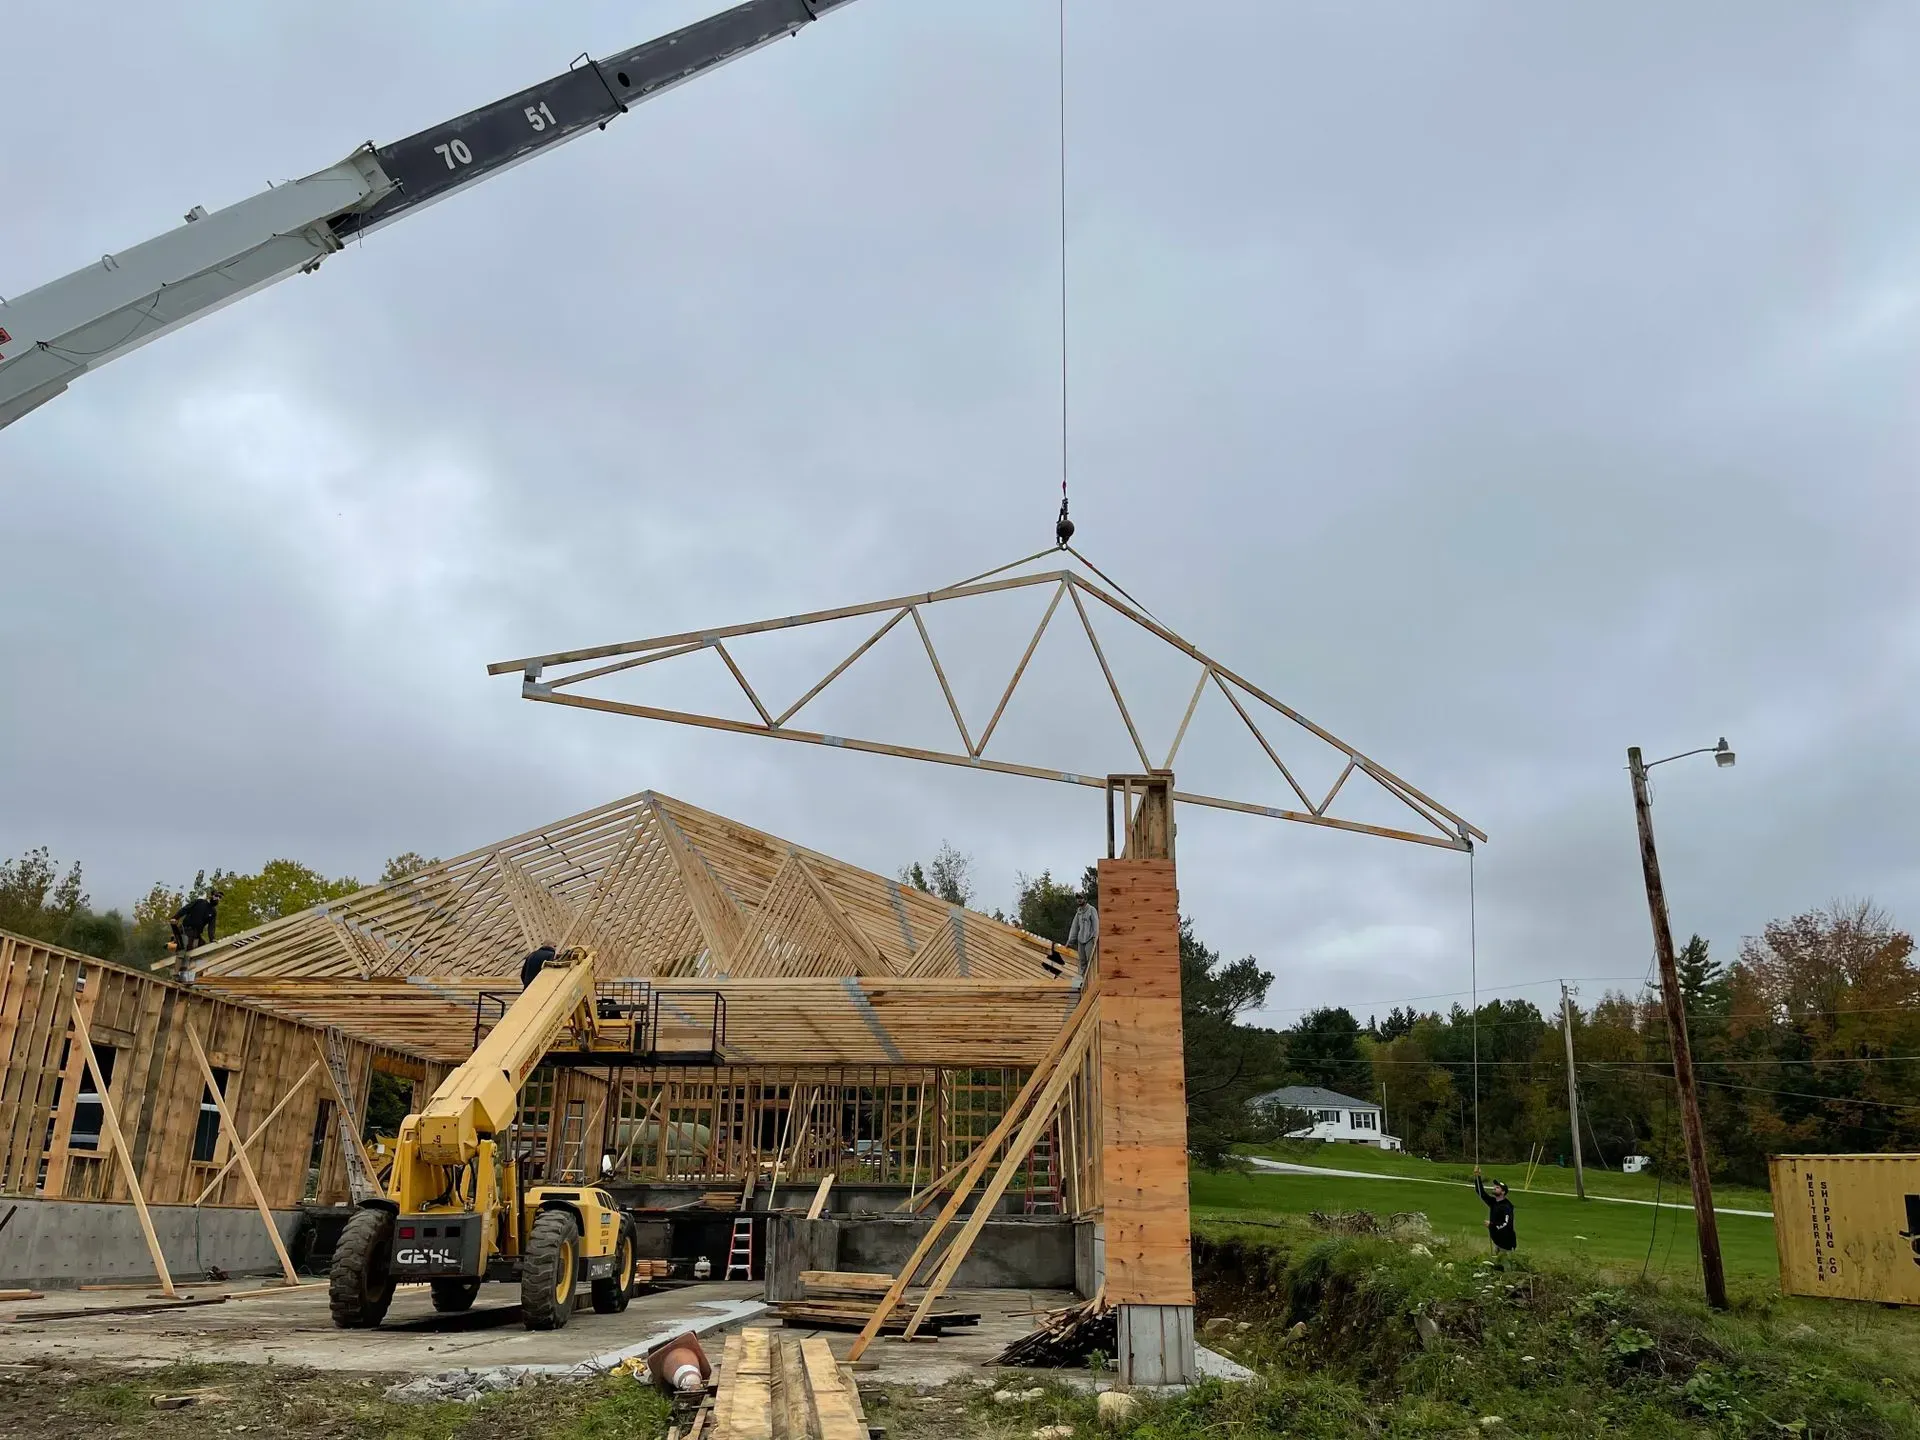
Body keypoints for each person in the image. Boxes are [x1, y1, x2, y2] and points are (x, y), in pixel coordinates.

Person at [1474, 1165, 1516, 1251]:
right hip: (1497, 1241)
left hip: (1506, 1243)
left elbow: (1506, 1224)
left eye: (1497, 1187)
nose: (1494, 1188)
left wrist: (1491, 1225)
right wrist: (1477, 1176)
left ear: (1503, 1192)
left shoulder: (1507, 1206)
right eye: (1495, 1186)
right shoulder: (1494, 1202)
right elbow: (1481, 1193)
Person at [170, 888, 223, 953]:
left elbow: (211, 926)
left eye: (219, 897)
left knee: (202, 945)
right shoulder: (199, 902)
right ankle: (175, 942)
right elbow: (186, 909)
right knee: (187, 948)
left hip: (196, 933)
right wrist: (175, 917)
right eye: (216, 896)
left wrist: (212, 938)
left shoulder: (213, 912)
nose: (217, 898)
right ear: (211, 896)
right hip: (187, 928)